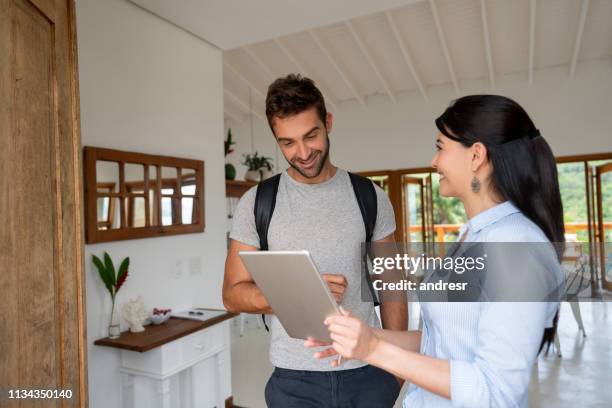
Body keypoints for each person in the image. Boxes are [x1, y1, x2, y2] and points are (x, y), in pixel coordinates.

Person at [306, 95, 564, 407]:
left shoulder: (518, 249)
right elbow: (439, 343)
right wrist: (363, 336)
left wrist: (374, 349)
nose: (434, 161)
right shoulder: (471, 235)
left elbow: (497, 393)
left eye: (441, 146)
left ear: (476, 156)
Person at [223, 74, 407, 408]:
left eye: (311, 135)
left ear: (328, 123)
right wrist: (300, 293)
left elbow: (392, 283)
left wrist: (396, 368)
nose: (303, 152)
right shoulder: (258, 201)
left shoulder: (370, 197)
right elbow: (232, 294)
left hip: (368, 371)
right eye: (288, 143)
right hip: (294, 379)